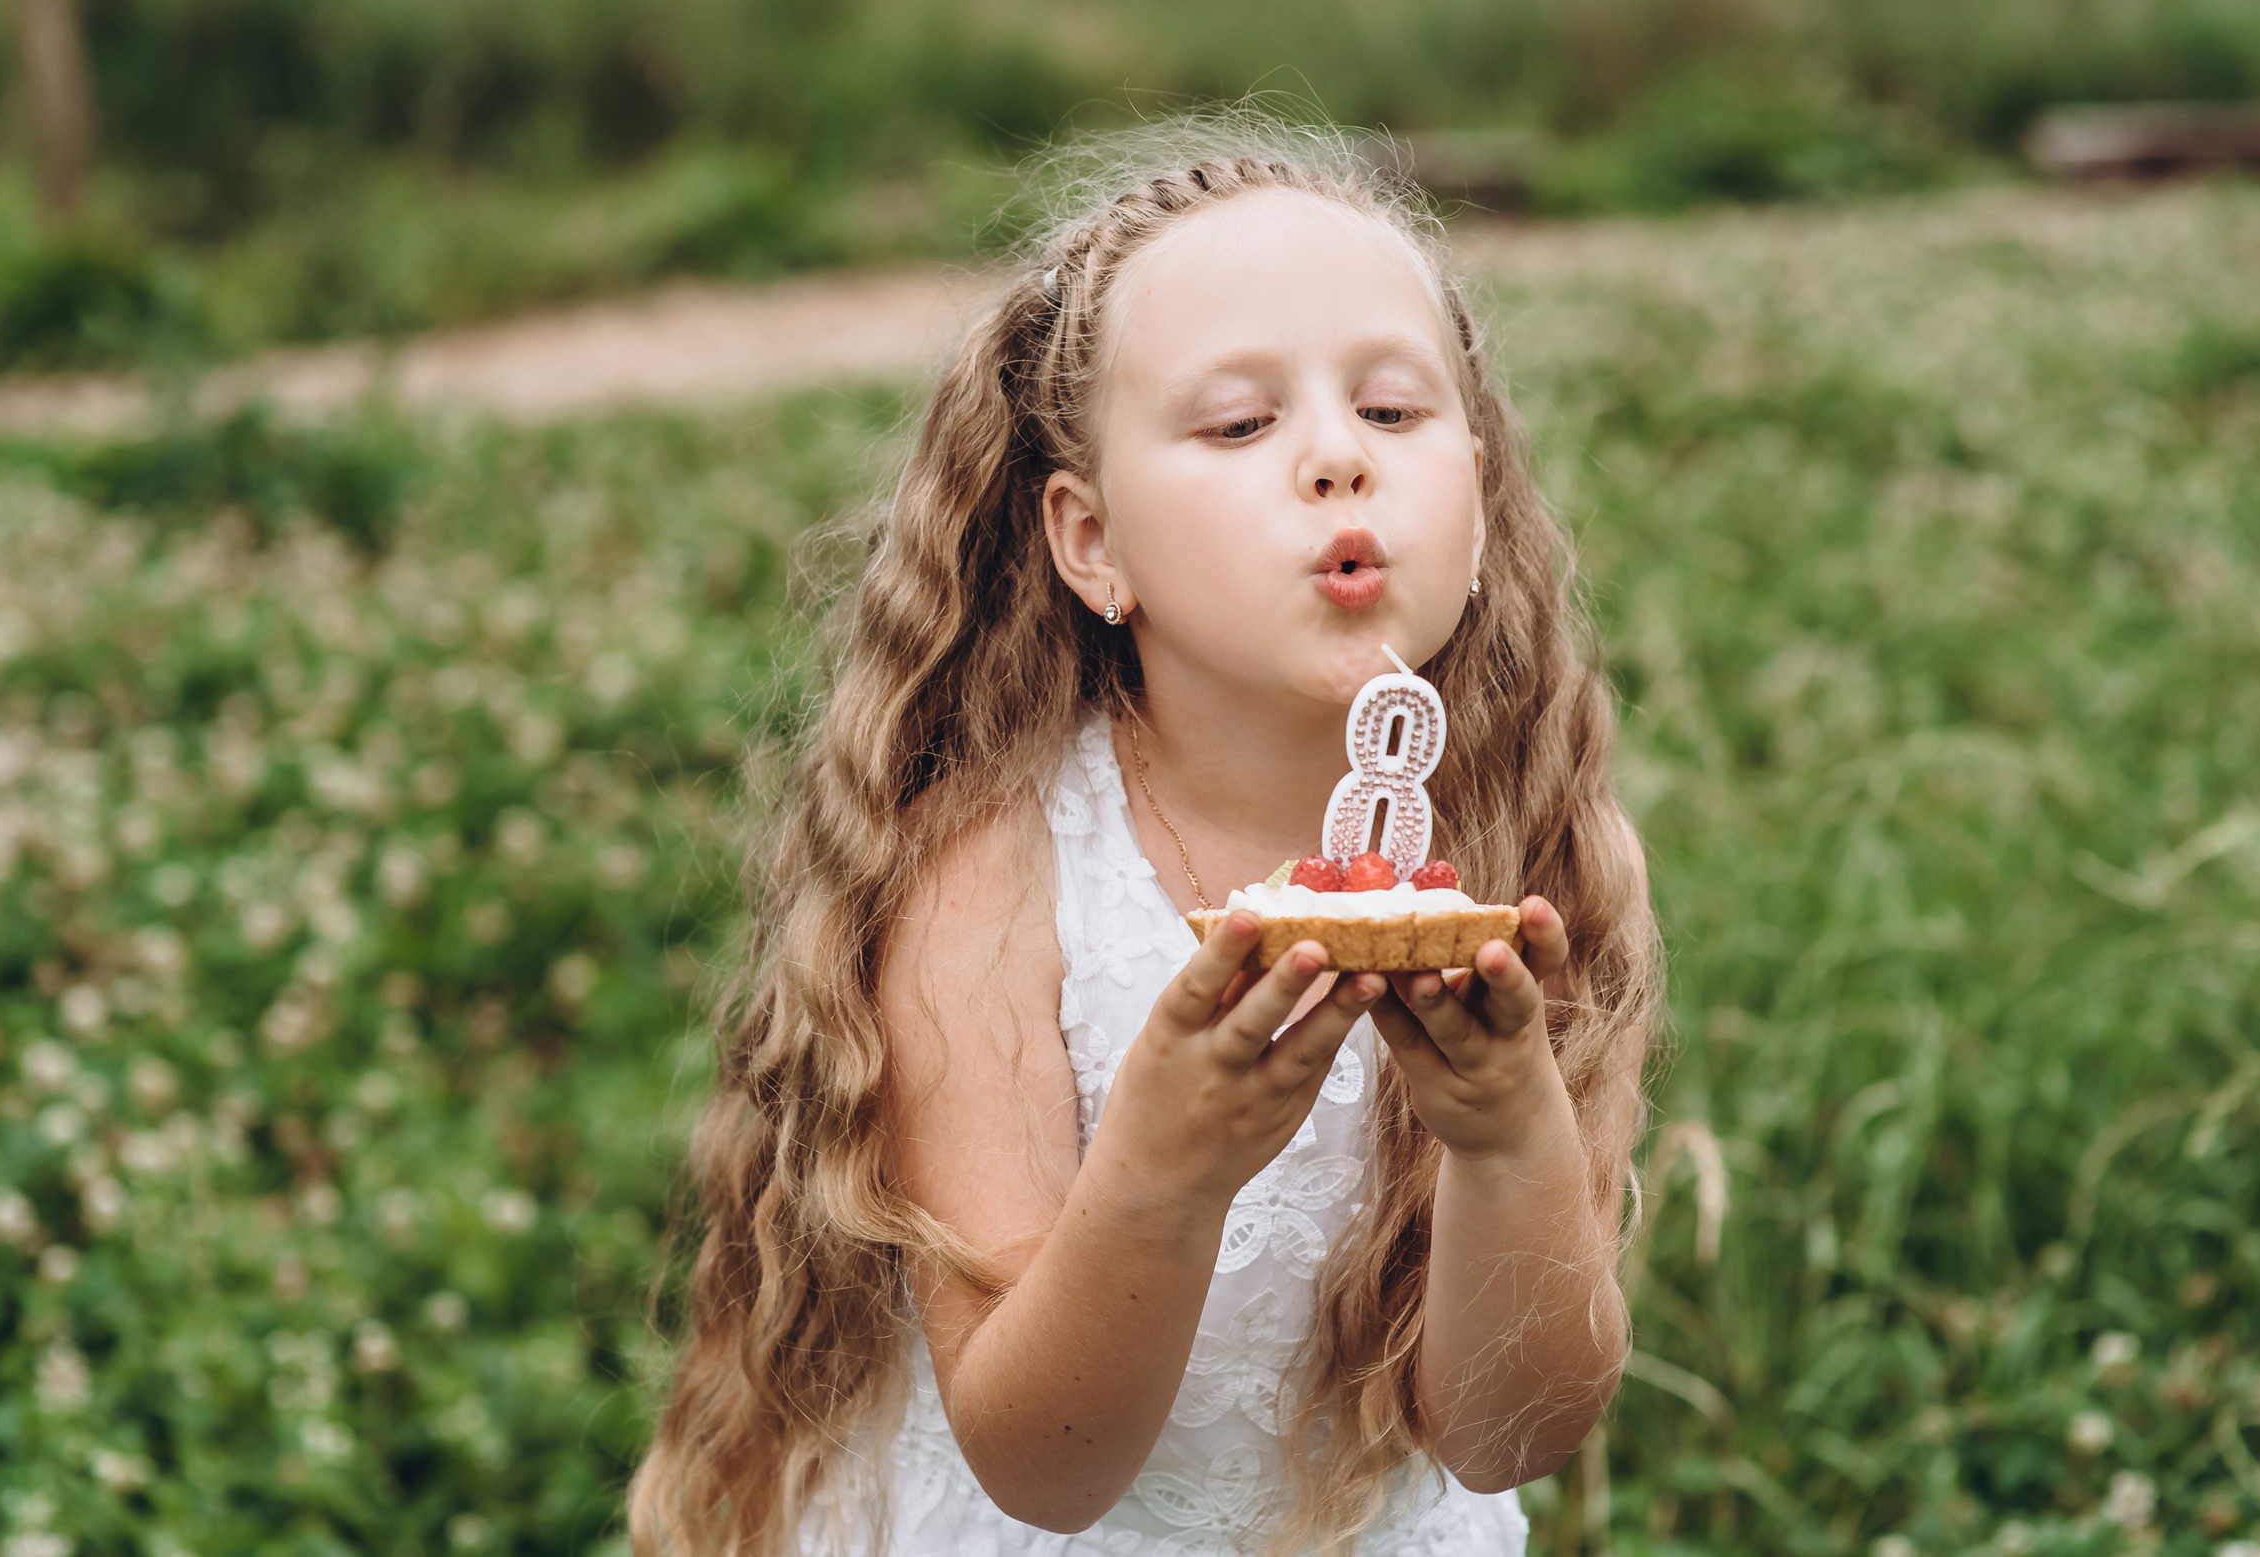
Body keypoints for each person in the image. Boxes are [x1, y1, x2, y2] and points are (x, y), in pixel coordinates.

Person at [629, 121, 1661, 1557]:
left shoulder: (1518, 843)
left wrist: (1504, 1133)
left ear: (1478, 503)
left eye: (1392, 411)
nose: (1333, 461)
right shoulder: (992, 873)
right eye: (1241, 424)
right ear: (1089, 540)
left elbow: (1507, 1431)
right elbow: (1044, 1466)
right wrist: (1166, 1170)